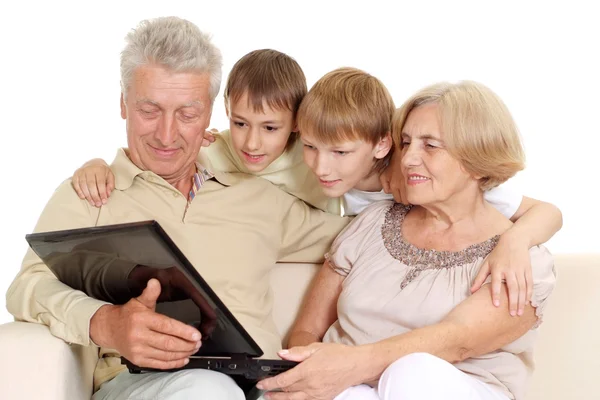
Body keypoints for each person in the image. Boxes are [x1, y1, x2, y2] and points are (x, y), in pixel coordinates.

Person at [5, 16, 348, 400]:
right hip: (143, 384)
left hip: (261, 388)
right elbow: (27, 286)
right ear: (123, 103)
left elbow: (363, 233)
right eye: (150, 110)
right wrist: (106, 323)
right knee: (207, 390)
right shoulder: (92, 193)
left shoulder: (262, 198)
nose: (166, 135)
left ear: (209, 114)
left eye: (186, 114)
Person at [73, 67, 562, 316]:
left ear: (381, 146)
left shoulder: (423, 180)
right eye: (310, 147)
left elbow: (546, 210)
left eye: (341, 154)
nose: (323, 169)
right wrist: (99, 163)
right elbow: (175, 150)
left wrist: (515, 242)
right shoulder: (279, 154)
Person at [256, 81, 556, 400]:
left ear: (476, 159)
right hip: (352, 391)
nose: (408, 158)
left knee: (413, 373)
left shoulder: (523, 258)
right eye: (407, 142)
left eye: (430, 146)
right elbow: (307, 330)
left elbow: (458, 340)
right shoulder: (373, 222)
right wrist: (311, 374)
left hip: (453, 388)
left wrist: (345, 367)